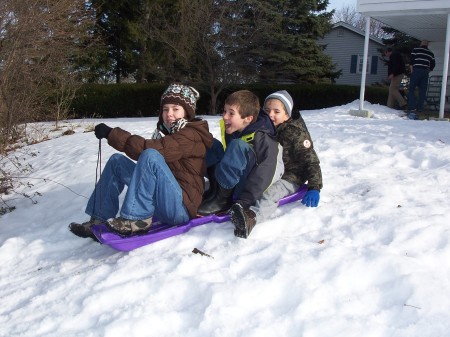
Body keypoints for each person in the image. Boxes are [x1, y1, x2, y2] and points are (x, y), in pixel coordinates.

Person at [69, 83, 213, 239]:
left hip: (180, 208)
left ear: (187, 112)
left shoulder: (190, 135)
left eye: (175, 109)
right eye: (165, 109)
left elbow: (150, 149)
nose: (169, 114)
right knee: (117, 161)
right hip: (163, 199)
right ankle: (98, 219)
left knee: (150, 155)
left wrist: (112, 133)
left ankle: (136, 219)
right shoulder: (169, 133)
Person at [229, 90, 323, 238]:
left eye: (276, 111)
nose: (271, 114)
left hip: (290, 176)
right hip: (270, 170)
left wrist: (314, 187)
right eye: (267, 111)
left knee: (270, 193)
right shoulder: (266, 127)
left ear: (287, 115)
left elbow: (310, 160)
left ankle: (252, 217)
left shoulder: (296, 133)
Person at [197, 90, 284, 222]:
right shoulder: (235, 129)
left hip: (246, 189)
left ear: (247, 119)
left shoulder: (263, 139)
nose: (225, 116)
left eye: (231, 113)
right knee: (210, 143)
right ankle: (216, 190)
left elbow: (265, 174)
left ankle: (221, 200)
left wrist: (245, 200)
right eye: (225, 111)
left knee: (238, 146)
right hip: (233, 181)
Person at [407, 40, 435, 115]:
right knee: (422, 90)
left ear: (421, 44)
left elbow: (411, 61)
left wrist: (412, 71)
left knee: (411, 88)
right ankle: (420, 108)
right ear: (427, 45)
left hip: (416, 70)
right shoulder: (430, 53)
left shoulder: (416, 50)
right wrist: (428, 71)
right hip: (425, 72)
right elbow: (432, 65)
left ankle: (412, 106)